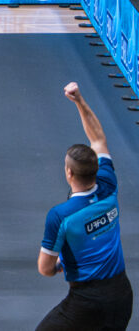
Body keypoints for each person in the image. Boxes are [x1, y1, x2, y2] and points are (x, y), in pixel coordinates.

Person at [36, 82, 133, 330]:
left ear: (69, 173)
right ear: (96, 170)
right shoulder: (108, 185)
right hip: (122, 295)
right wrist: (80, 100)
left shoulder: (61, 216)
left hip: (87, 301)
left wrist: (61, 266)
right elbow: (98, 139)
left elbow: (45, 269)